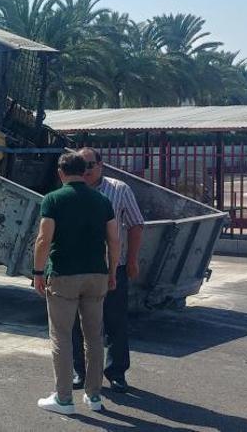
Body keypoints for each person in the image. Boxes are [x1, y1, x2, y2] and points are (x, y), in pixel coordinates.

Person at [34, 152, 120, 415]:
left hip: (63, 275)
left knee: (61, 336)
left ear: (61, 173)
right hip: (96, 275)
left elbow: (43, 239)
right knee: (94, 337)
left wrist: (38, 272)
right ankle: (94, 397)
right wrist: (112, 272)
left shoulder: (53, 200)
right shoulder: (103, 201)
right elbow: (115, 240)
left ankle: (63, 399)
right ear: (84, 172)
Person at [71, 147, 145, 393]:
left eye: (90, 165)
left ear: (101, 165)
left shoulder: (119, 190)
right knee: (76, 323)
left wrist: (132, 260)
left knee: (115, 322)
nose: (87, 171)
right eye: (81, 166)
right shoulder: (71, 192)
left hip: (113, 269)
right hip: (78, 269)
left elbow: (135, 225)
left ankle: (116, 373)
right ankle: (78, 372)